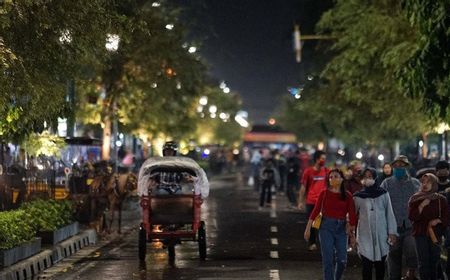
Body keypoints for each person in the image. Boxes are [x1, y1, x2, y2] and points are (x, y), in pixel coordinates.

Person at [304, 168, 357, 280]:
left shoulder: (347, 195)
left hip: (341, 229)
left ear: (342, 179)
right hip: (326, 228)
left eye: (336, 176)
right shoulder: (324, 193)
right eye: (331, 177)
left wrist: (352, 234)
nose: (333, 179)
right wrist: (308, 229)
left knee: (342, 260)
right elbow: (315, 212)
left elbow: (352, 215)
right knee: (328, 260)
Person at [380, 155, 420, 280]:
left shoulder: (415, 183)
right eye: (396, 166)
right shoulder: (386, 183)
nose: (398, 168)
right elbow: (381, 204)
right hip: (393, 228)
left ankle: (412, 274)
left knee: (412, 253)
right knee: (393, 256)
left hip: (410, 226)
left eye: (401, 166)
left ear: (406, 167)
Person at [354, 167, 397, 280]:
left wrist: (392, 232)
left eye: (370, 176)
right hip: (365, 234)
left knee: (380, 265)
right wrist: (351, 233)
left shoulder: (383, 194)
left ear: (375, 177)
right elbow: (352, 215)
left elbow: (389, 213)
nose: (367, 179)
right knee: (366, 265)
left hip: (381, 234)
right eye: (365, 177)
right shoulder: (358, 196)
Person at [408, 173, 448, 280]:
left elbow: (447, 217)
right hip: (420, 234)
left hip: (436, 234)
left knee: (435, 260)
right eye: (423, 182)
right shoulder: (415, 198)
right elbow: (412, 217)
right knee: (423, 261)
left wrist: (438, 220)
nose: (425, 184)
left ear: (434, 183)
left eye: (428, 182)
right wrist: (421, 205)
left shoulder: (441, 199)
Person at [298, 150, 329, 251]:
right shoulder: (308, 171)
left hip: (323, 202)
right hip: (311, 201)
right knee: (312, 223)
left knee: (322, 223)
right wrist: (300, 201)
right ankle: (312, 243)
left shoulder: (327, 171)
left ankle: (323, 242)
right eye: (322, 159)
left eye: (324, 159)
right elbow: (303, 187)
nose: (324, 160)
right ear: (316, 159)